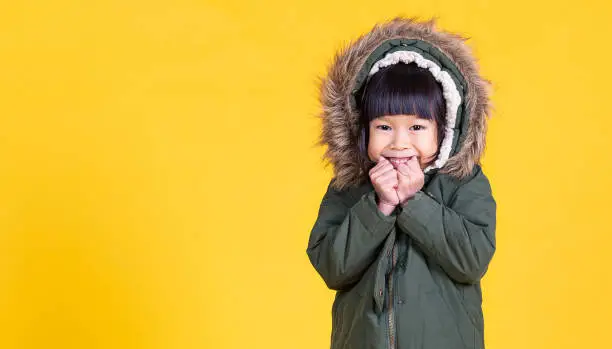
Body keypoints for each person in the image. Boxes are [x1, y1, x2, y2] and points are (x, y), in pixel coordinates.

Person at [306, 16, 497, 349]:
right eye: (384, 127)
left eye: (417, 128)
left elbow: (472, 260)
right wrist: (379, 207)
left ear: (445, 129)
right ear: (363, 129)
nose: (399, 143)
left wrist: (414, 202)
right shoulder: (349, 189)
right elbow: (331, 267)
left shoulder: (463, 183)